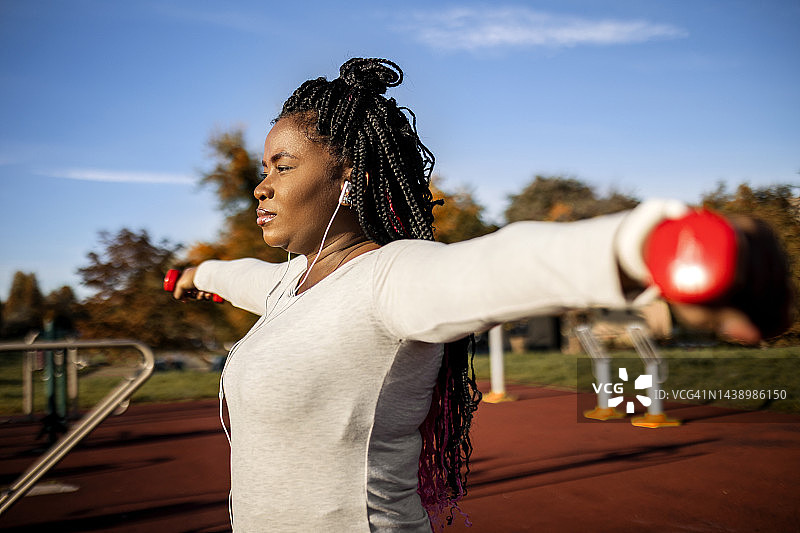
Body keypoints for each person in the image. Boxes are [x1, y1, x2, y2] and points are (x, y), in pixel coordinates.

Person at [170, 58, 793, 532]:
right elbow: (239, 274)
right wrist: (198, 275)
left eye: (282, 167)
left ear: (348, 177)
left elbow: (497, 263)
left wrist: (646, 243)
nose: (261, 187)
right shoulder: (289, 286)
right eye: (262, 169)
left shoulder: (390, 279)